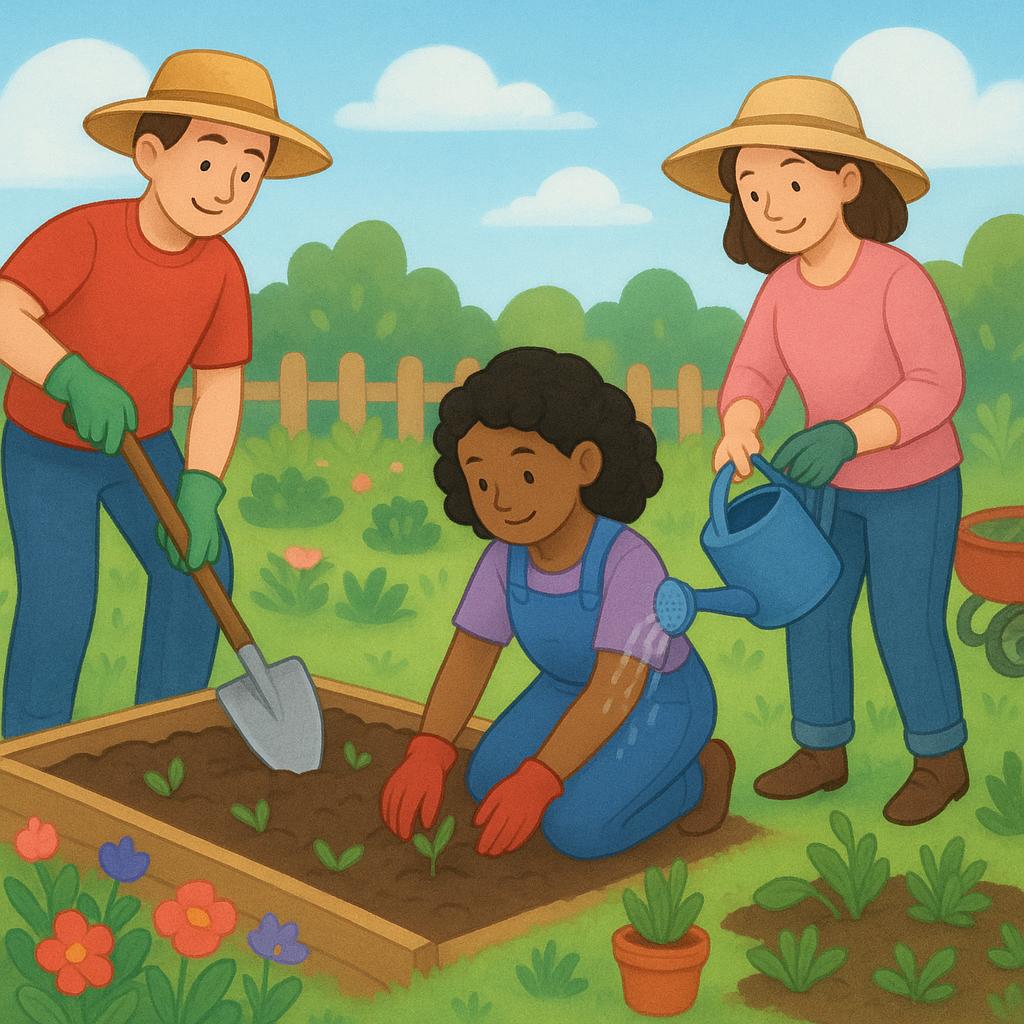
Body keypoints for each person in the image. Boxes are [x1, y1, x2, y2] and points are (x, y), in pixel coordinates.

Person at [661, 76, 967, 826]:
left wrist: (852, 433)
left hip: (912, 485)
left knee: (903, 619)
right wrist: (739, 423)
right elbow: (754, 370)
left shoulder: (896, 279)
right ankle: (822, 749)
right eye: (753, 190)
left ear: (847, 181)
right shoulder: (781, 290)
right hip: (819, 490)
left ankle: (939, 757)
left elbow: (939, 382)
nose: (773, 206)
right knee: (814, 610)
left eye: (791, 181)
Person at [0, 50, 331, 738]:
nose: (225, 188)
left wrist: (204, 484)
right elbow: (6, 309)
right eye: (210, 163)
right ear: (151, 153)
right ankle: (26, 750)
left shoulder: (220, 271)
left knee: (199, 567)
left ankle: (159, 733)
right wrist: (69, 376)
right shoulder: (85, 233)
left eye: (249, 172)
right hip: (48, 451)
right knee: (61, 604)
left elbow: (218, 386)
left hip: (144, 446)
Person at [379, 347, 735, 860]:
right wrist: (430, 748)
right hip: (567, 688)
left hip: (659, 697)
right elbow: (471, 654)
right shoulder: (504, 559)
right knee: (485, 780)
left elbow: (614, 689)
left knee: (576, 829)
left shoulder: (628, 561)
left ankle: (701, 776)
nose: (501, 500)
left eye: (524, 476)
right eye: (482, 480)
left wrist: (542, 777)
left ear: (585, 464)